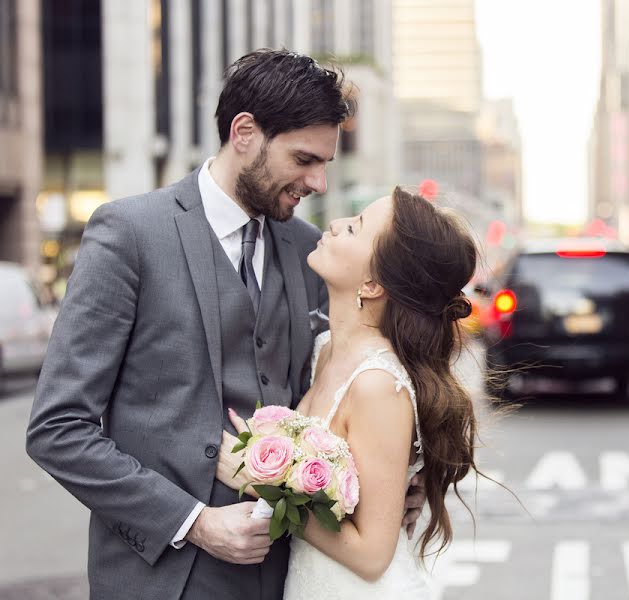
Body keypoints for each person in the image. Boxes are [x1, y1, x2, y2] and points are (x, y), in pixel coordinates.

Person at [26, 50, 424, 600]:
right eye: (305, 158)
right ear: (244, 133)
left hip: (287, 576)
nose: (319, 182)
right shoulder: (128, 235)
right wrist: (195, 522)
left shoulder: (312, 253)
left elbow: (360, 381)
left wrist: (401, 479)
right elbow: (58, 428)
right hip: (159, 580)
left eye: (326, 162)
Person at [215, 187, 481, 598]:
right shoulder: (325, 350)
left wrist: (256, 479)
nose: (336, 224)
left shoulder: (377, 385)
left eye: (355, 228)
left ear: (372, 284)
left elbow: (373, 554)